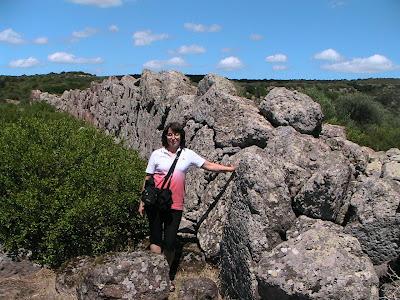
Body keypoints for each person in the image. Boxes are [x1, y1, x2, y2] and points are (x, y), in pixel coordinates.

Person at [138, 122, 235, 288]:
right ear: (165, 136)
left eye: (176, 134)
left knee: (169, 242)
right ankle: (159, 278)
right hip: (154, 203)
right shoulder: (157, 154)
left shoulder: (187, 154)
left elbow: (208, 165)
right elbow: (147, 179)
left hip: (175, 204)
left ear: (181, 136)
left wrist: (229, 169)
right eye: (169, 134)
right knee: (155, 239)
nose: (173, 138)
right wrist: (142, 202)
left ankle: (166, 273)